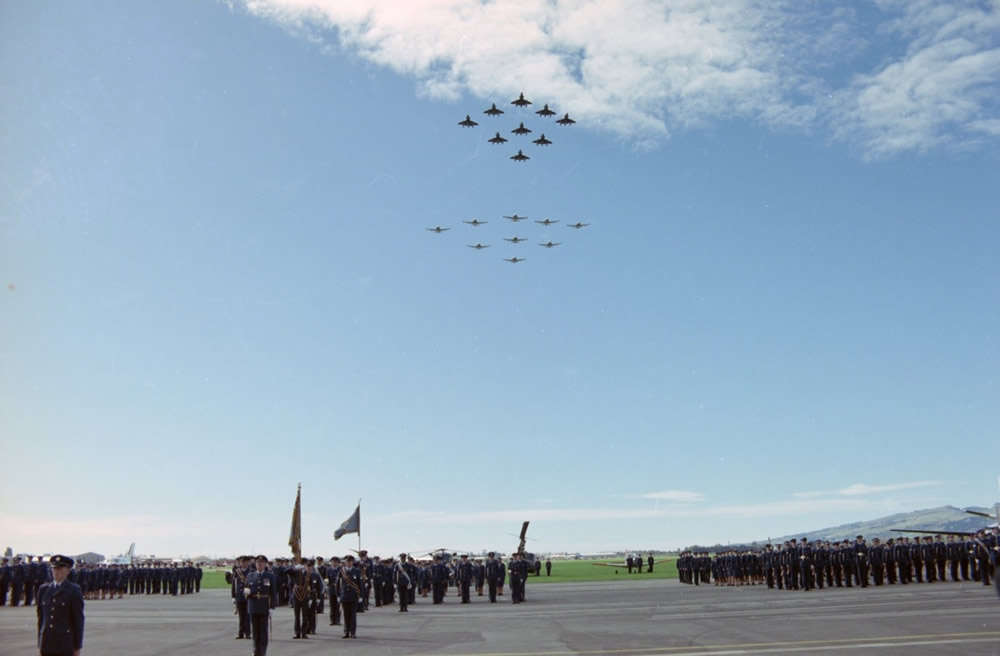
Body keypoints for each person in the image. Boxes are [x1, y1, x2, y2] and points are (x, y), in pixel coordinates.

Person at [37, 554, 84, 656]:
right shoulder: (43, 590)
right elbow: (41, 619)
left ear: (68, 570)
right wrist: (40, 642)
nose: (56, 571)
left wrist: (77, 647)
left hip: (64, 644)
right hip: (47, 643)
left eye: (60, 568)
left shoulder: (73, 590)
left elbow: (78, 621)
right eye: (54, 568)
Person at [245, 555, 277, 656]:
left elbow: (273, 592)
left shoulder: (270, 576)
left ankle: (262, 651)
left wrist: (272, 607)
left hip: (264, 606)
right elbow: (246, 589)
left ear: (265, 564)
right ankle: (255, 650)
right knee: (255, 631)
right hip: (253, 606)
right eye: (258, 563)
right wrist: (245, 593)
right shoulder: (250, 575)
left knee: (263, 631)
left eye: (262, 563)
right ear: (255, 564)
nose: (260, 564)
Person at [338, 555, 363, 639]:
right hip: (344, 596)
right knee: (346, 615)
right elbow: (338, 584)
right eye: (347, 561)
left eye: (350, 561)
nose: (348, 563)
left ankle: (353, 632)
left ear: (352, 562)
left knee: (353, 615)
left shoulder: (357, 571)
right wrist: (338, 595)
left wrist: (361, 596)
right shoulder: (342, 571)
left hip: (354, 596)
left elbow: (360, 584)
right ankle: (346, 632)